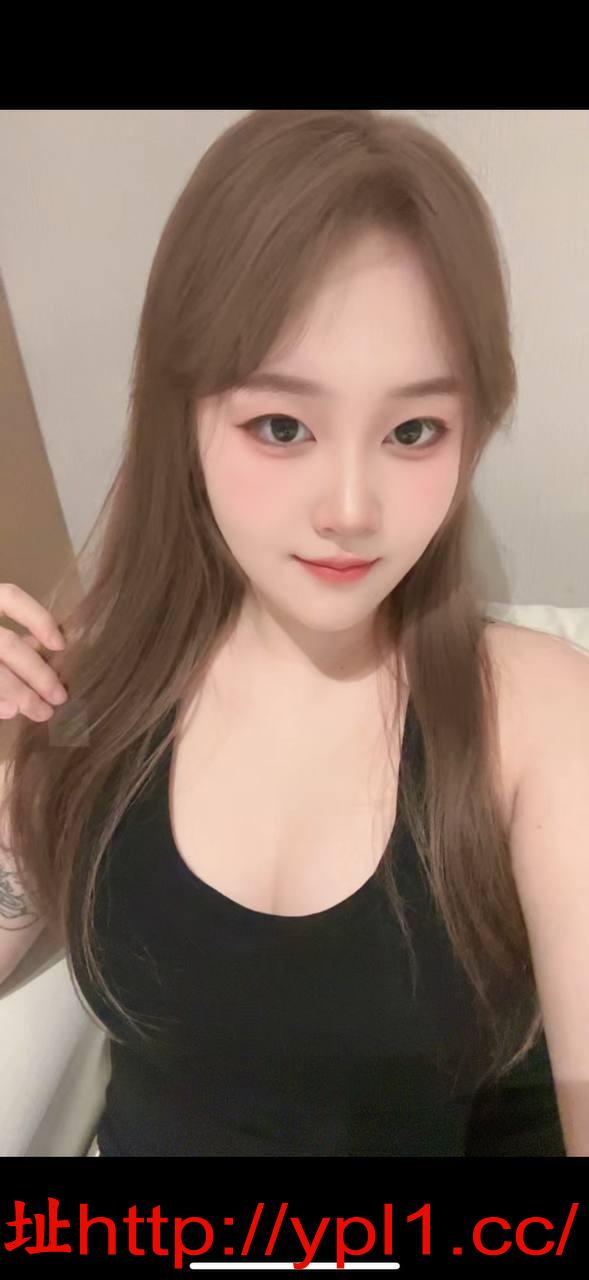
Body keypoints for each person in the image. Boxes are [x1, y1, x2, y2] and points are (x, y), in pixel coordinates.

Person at [0, 110, 572, 1156]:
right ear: (183, 417)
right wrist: (8, 761)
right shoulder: (99, 682)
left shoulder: (534, 716)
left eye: (413, 430)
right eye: (281, 425)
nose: (350, 508)